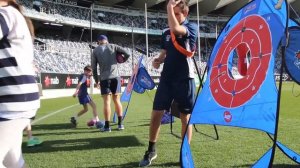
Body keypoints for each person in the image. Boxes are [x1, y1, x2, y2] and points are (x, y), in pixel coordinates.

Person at [139, 0, 198, 166]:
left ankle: (184, 152)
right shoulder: (165, 32)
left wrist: (168, 7)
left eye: (176, 13)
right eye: (171, 13)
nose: (172, 16)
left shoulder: (191, 27)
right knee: (156, 113)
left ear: (184, 15)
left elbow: (176, 29)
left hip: (185, 79)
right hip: (166, 79)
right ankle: (151, 150)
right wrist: (158, 59)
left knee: (185, 117)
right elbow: (165, 50)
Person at [0, 0, 40, 167]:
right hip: (15, 98)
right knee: (13, 161)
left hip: (12, 100)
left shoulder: (5, 13)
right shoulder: (13, 14)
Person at [92, 34, 130, 132]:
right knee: (117, 100)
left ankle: (107, 126)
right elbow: (127, 54)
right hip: (115, 77)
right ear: (107, 41)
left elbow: (93, 68)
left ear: (98, 42)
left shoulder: (95, 51)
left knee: (106, 102)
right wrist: (122, 60)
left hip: (104, 78)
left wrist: (97, 81)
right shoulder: (113, 46)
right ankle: (120, 124)